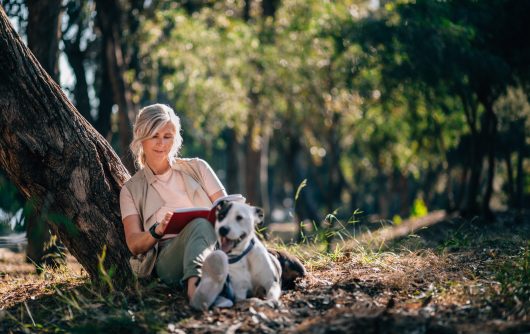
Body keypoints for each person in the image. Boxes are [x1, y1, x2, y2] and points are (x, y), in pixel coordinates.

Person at [120, 103, 231, 309]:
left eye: (168, 136)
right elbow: (134, 243)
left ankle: (215, 287)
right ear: (140, 136)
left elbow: (226, 208)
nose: (161, 143)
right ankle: (196, 291)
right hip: (169, 259)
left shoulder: (198, 167)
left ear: (175, 138)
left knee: (205, 229)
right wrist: (157, 230)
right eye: (154, 135)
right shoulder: (131, 190)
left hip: (213, 244)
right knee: (200, 225)